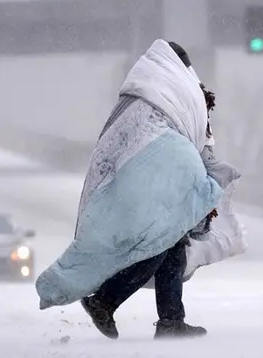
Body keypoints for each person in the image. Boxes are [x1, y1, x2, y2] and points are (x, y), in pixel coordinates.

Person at [35, 39, 239, 340]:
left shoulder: (138, 95)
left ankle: (171, 320)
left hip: (135, 180)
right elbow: (197, 145)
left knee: (170, 247)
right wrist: (204, 188)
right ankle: (105, 300)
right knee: (157, 244)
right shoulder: (184, 94)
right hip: (155, 179)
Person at [80, 78, 222, 340]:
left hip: (162, 191)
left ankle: (171, 320)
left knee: (172, 254)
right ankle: (104, 302)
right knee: (157, 251)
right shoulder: (176, 107)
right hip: (159, 192)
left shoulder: (167, 102)